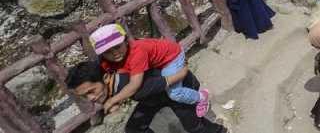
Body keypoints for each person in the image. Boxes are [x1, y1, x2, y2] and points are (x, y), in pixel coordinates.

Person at [66, 61, 226, 133]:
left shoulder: (132, 87)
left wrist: (183, 72)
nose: (91, 98)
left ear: (106, 78)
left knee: (194, 127)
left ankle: (218, 130)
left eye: (91, 91)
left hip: (179, 89)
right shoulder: (107, 69)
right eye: (85, 96)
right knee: (134, 128)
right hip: (154, 96)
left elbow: (163, 83)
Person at [90, 24, 210, 117]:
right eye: (108, 52)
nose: (115, 53)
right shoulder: (107, 60)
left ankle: (201, 97)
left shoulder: (137, 52)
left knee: (175, 93)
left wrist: (112, 100)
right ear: (102, 54)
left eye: (117, 47)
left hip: (172, 58)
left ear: (126, 41)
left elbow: (134, 85)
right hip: (160, 60)